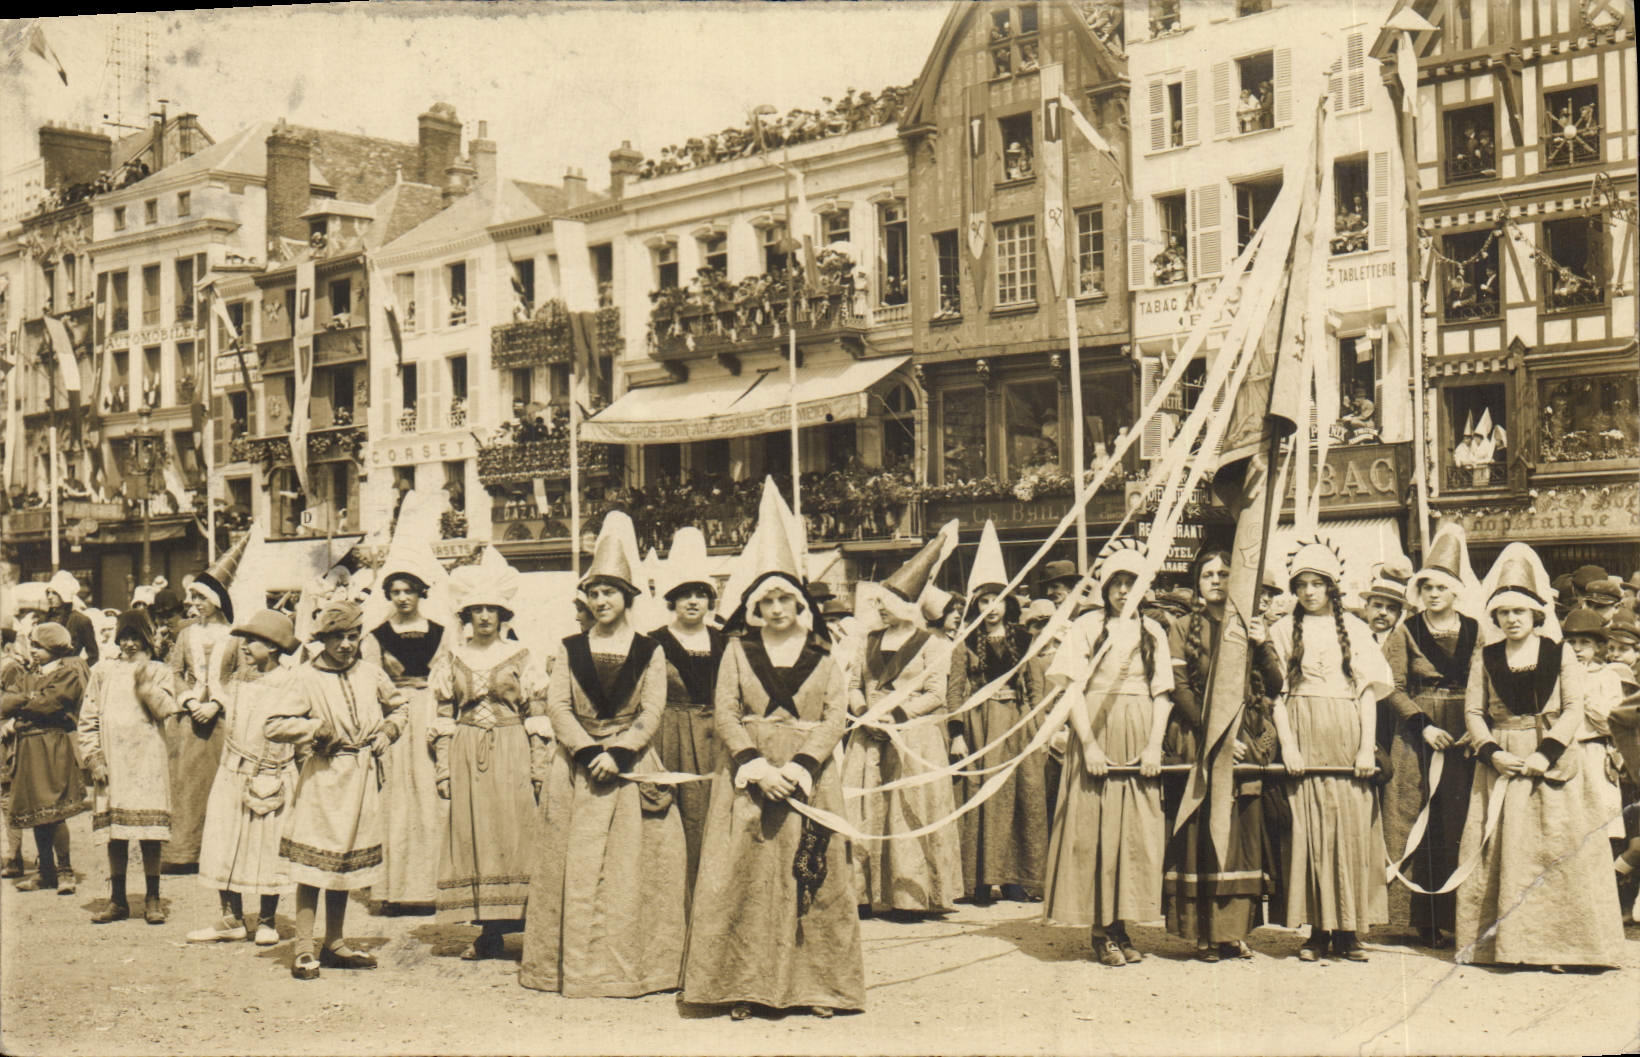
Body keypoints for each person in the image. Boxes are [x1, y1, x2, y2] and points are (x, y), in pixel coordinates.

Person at [683, 484, 863, 1019]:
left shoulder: (824, 657)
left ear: (802, 606)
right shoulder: (738, 652)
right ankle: (743, 985)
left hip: (811, 780)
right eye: (768, 601)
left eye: (787, 599)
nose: (778, 608)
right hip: (749, 781)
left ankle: (819, 987)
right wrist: (758, 768)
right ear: (755, 609)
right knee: (744, 877)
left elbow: (834, 717)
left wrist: (802, 768)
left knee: (815, 878)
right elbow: (725, 714)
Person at [520, 513, 686, 998]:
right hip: (577, 770)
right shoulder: (570, 648)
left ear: (627, 598)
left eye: (610, 592)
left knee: (631, 870)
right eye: (593, 594)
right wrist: (589, 748)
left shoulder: (649, 649)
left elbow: (653, 709)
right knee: (571, 866)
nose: (600, 601)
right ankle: (570, 970)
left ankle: (632, 970)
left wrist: (619, 751)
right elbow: (557, 705)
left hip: (631, 770)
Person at [1455, 544, 1625, 970]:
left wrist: (1546, 753)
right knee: (1503, 851)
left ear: (1536, 615)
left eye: (1520, 612)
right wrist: (1492, 752)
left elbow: (1572, 709)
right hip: (1503, 763)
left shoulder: (1558, 652)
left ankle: (1562, 947)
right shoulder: (1487, 657)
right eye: (1503, 612)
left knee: (1556, 850)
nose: (1511, 619)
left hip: (1552, 763)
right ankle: (1505, 947)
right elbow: (1473, 712)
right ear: (1494, 617)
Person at [1043, 544, 1174, 966]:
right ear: (1104, 587)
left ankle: (1122, 924)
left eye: (1130, 583)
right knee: (1096, 832)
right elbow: (1072, 689)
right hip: (1097, 730)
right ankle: (1100, 931)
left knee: (1133, 834)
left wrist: (1154, 744)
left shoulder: (1153, 631)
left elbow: (1164, 695)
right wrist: (1090, 744)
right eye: (1116, 583)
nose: (1122, 591)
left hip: (1138, 734)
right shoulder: (1086, 626)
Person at [265, 600, 408, 980]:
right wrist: (314, 730)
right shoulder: (306, 677)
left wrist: (387, 733)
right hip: (324, 779)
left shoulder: (371, 673)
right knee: (315, 866)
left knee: (343, 862)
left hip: (361, 777)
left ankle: (335, 942)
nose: (346, 645)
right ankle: (303, 948)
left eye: (352, 636)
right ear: (323, 640)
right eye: (337, 638)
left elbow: (399, 707)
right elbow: (275, 724)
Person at [1268, 539, 1392, 962]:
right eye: (1301, 584)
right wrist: (1288, 746)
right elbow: (1275, 696)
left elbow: (1368, 694)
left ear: (1331, 587)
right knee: (1311, 832)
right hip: (1303, 733)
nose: (1309, 592)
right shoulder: (1282, 630)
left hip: (1345, 732)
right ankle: (1318, 931)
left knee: (1350, 831)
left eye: (1317, 583)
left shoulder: (1355, 630)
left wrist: (1364, 749)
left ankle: (1349, 932)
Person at [1160, 548, 1285, 962]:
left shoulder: (1248, 626)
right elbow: (1180, 689)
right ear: (1197, 582)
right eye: (1207, 573)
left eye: (1224, 573)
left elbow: (1275, 682)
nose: (1215, 580)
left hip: (1245, 736)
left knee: (1240, 834)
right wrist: (1216, 735)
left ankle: (1233, 931)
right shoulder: (1179, 627)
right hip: (1198, 738)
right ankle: (1203, 935)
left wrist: (1261, 642)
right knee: (1199, 835)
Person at [430, 557, 544, 959]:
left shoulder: (522, 655)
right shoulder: (453, 658)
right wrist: (443, 768)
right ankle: (487, 933)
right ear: (466, 614)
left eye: (491, 610)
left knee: (515, 835)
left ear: (502, 614)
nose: (484, 617)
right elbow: (443, 715)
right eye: (476, 610)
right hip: (466, 749)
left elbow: (538, 713)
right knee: (473, 835)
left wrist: (539, 768)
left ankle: (526, 928)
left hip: (512, 748)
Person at [844, 527, 961, 916]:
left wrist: (894, 716)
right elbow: (855, 684)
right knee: (868, 807)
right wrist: (862, 712)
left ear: (906, 604)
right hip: (869, 736)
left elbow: (935, 695)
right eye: (877, 601)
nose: (878, 606)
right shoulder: (868, 641)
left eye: (885, 601)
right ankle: (866, 893)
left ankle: (912, 895)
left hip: (914, 735)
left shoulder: (933, 644)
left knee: (910, 809)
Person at [1378, 524, 1480, 948]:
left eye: (1442, 587)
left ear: (1456, 591)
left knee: (1457, 820)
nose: (1434, 594)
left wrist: (1475, 729)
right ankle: (1416, 920)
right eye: (1427, 587)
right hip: (1419, 733)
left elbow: (1483, 683)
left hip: (1464, 734)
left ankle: (1460, 917)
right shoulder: (1405, 631)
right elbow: (1391, 687)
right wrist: (1425, 726)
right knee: (1414, 815)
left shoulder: (1476, 630)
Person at [189, 610, 301, 947]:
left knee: (269, 846)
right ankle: (230, 918)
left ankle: (267, 920)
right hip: (232, 771)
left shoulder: (292, 681)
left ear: (274, 647)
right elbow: (217, 666)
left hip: (273, 772)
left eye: (252, 641)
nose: (244, 647)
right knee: (226, 841)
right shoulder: (236, 679)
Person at [953, 520, 1046, 904]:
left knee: (1022, 794)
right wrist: (957, 733)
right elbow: (954, 692)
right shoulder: (964, 644)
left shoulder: (1025, 639)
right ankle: (979, 880)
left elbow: (1037, 687)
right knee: (981, 796)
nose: (990, 608)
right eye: (982, 601)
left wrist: (1037, 724)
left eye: (997, 600)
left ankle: (1017, 878)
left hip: (1016, 725)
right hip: (979, 726)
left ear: (1008, 603)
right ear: (975, 605)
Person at [81, 610, 178, 925]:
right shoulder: (103, 672)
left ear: (147, 638)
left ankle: (152, 897)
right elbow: (88, 718)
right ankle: (118, 899)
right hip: (113, 761)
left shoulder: (160, 671)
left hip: (147, 760)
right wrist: (94, 757)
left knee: (150, 833)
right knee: (116, 835)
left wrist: (145, 686)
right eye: (124, 637)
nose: (129, 643)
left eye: (135, 637)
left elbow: (165, 710)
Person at [361, 567, 447, 912]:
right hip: (394, 716)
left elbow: (444, 676)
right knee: (395, 799)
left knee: (429, 796)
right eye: (395, 591)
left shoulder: (440, 633)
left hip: (428, 712)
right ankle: (393, 890)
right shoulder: (377, 636)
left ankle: (430, 889)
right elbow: (371, 682)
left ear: (420, 593)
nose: (402, 597)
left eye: (409, 591)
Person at [649, 527, 726, 902]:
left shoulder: (725, 642)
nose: (693, 602)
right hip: (668, 736)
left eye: (700, 594)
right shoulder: (652, 642)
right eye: (685, 595)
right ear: (672, 601)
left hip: (714, 739)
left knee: (709, 819)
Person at [166, 537, 248, 869]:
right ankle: (185, 852)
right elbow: (175, 671)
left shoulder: (236, 636)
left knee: (222, 782)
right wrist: (189, 701)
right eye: (193, 598)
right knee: (186, 782)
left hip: (222, 720)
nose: (194, 603)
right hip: (189, 720)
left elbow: (242, 674)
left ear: (216, 602)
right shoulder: (187, 635)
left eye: (200, 598)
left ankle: (221, 853)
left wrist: (216, 703)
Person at [1, 623, 90, 894]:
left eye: (39, 647)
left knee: (55, 811)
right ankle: (46, 871)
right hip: (29, 746)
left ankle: (65, 870)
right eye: (34, 646)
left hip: (53, 745)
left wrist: (24, 702)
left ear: (55, 648)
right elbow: (5, 701)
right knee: (37, 811)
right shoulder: (30, 675)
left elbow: (50, 704)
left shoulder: (67, 674)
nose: (35, 652)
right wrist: (29, 699)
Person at [1562, 609, 1626, 846]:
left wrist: (1583, 692)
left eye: (1584, 643)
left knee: (1598, 823)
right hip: (1566, 753)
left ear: (1598, 646)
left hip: (1594, 752)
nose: (1577, 649)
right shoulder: (1558, 675)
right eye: (1571, 643)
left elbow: (1610, 723)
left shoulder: (1608, 676)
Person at [45, 570, 98, 664]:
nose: (49, 597)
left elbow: (93, 655)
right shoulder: (47, 619)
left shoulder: (81, 620)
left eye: (54, 593)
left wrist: (76, 669)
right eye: (48, 593)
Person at [1361, 559, 1412, 643]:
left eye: (1391, 609)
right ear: (1366, 608)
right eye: (1377, 605)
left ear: (1399, 615)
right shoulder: (1353, 636)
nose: (1383, 613)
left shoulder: (1404, 643)